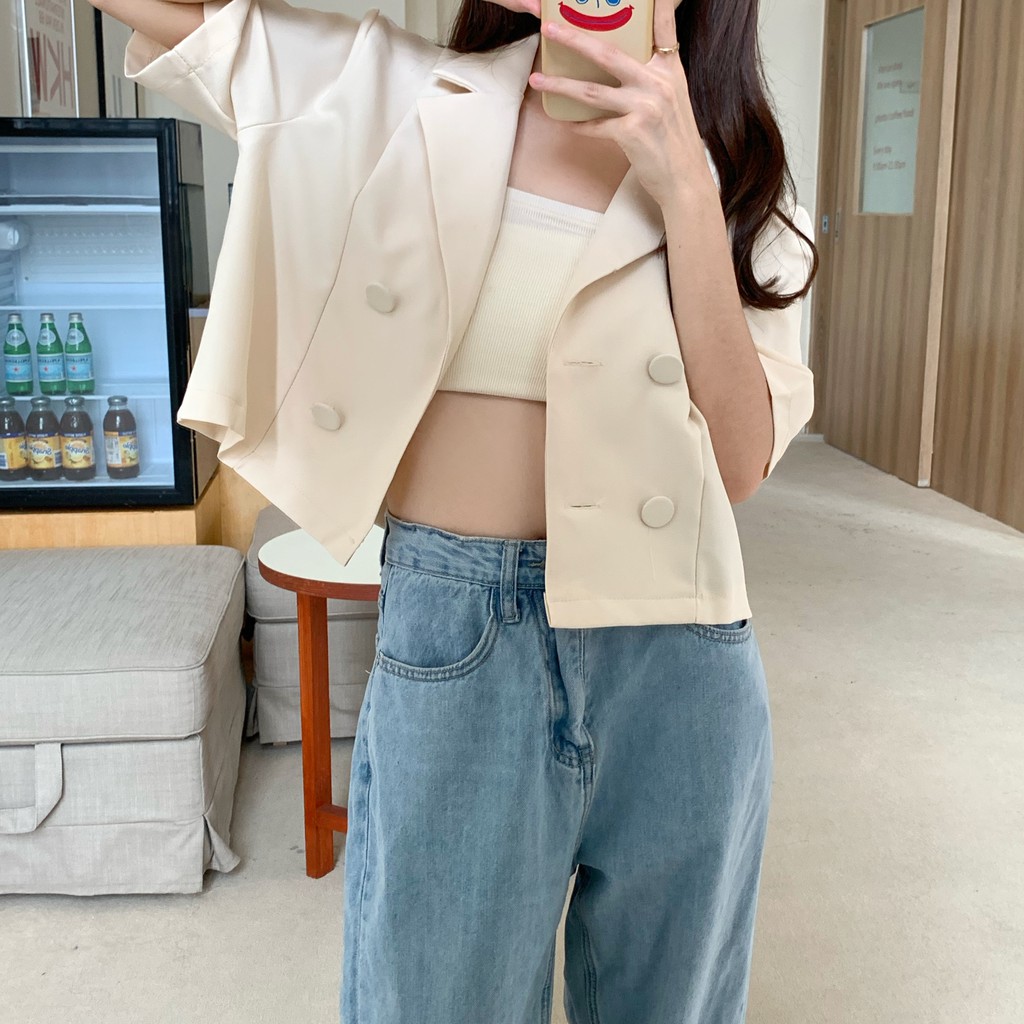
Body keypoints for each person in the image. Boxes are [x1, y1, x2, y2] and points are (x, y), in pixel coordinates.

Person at [92, 0, 819, 1020]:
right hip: (460, 628)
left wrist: (688, 190)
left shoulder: (740, 171)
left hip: (681, 647)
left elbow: (741, 461)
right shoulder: (397, 91)